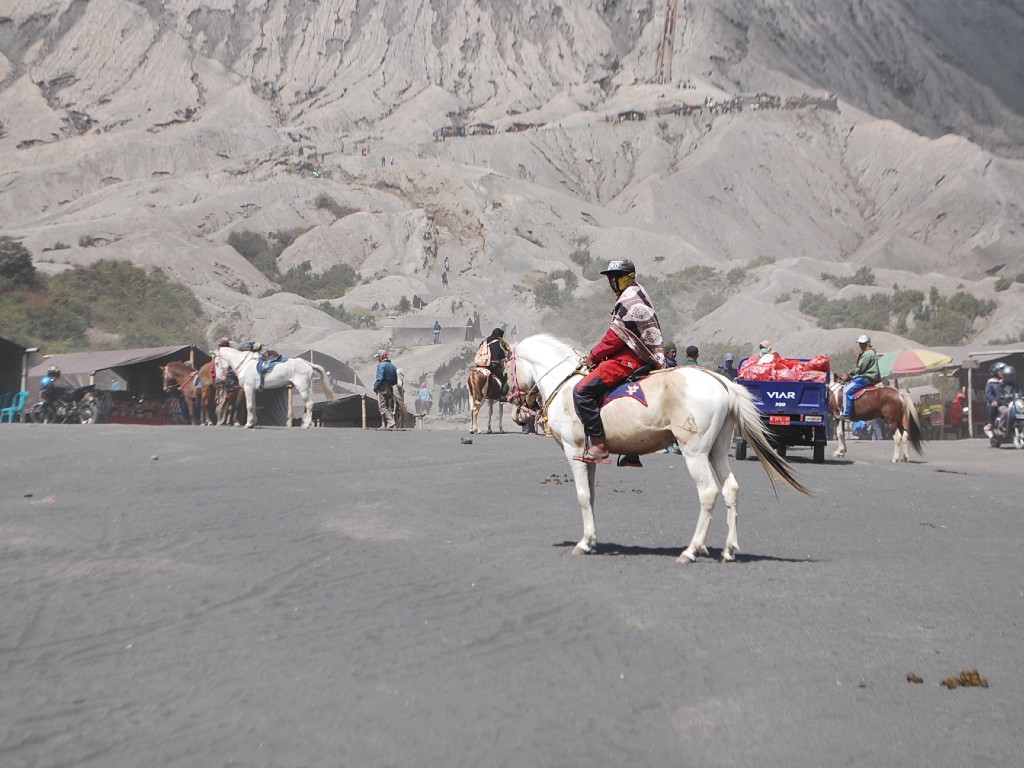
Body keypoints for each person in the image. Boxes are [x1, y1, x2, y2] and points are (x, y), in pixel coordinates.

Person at [573, 259, 665, 465]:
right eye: (610, 279)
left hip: (628, 360)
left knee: (582, 392)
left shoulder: (629, 300)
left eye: (615, 278)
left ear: (626, 277)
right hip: (637, 357)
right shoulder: (637, 293)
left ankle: (598, 446)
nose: (612, 282)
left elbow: (614, 338)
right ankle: (631, 450)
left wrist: (593, 355)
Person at [841, 334, 881, 418]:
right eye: (860, 343)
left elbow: (860, 368)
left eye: (862, 343)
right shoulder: (872, 352)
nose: (861, 345)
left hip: (866, 378)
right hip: (871, 378)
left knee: (846, 390)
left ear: (867, 344)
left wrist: (850, 374)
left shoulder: (867, 354)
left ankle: (846, 413)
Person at [373, 350, 399, 429]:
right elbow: (395, 381)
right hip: (390, 387)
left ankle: (390, 421)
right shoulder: (393, 366)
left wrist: (375, 387)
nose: (378, 359)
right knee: (388, 406)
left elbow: (380, 378)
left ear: (382, 356)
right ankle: (386, 425)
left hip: (383, 387)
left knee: (382, 407)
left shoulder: (381, 365)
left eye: (378, 357)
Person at [484, 327, 511, 396]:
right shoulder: (499, 344)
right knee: (507, 377)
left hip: (484, 364)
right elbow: (502, 359)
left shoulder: (486, 341)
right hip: (494, 365)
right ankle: (503, 395)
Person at [983, 362, 1006, 437]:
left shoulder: (1006, 381)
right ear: (996, 372)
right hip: (995, 402)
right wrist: (994, 400)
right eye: (1000, 371)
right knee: (992, 406)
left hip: (1005, 401)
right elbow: (989, 394)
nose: (1002, 373)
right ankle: (990, 423)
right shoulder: (991, 382)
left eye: (1004, 371)